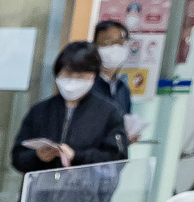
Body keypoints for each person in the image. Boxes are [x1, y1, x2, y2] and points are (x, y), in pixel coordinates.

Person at [13, 41, 127, 176]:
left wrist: (75, 155)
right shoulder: (40, 110)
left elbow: (116, 159)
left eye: (80, 76)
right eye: (67, 74)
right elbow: (17, 157)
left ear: (93, 76)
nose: (73, 81)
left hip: (85, 192)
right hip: (41, 191)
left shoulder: (109, 113)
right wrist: (37, 156)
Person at [92, 18, 142, 141]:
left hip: (114, 157)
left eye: (120, 42)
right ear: (94, 46)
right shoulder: (86, 85)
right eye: (107, 42)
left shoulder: (123, 89)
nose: (114, 48)